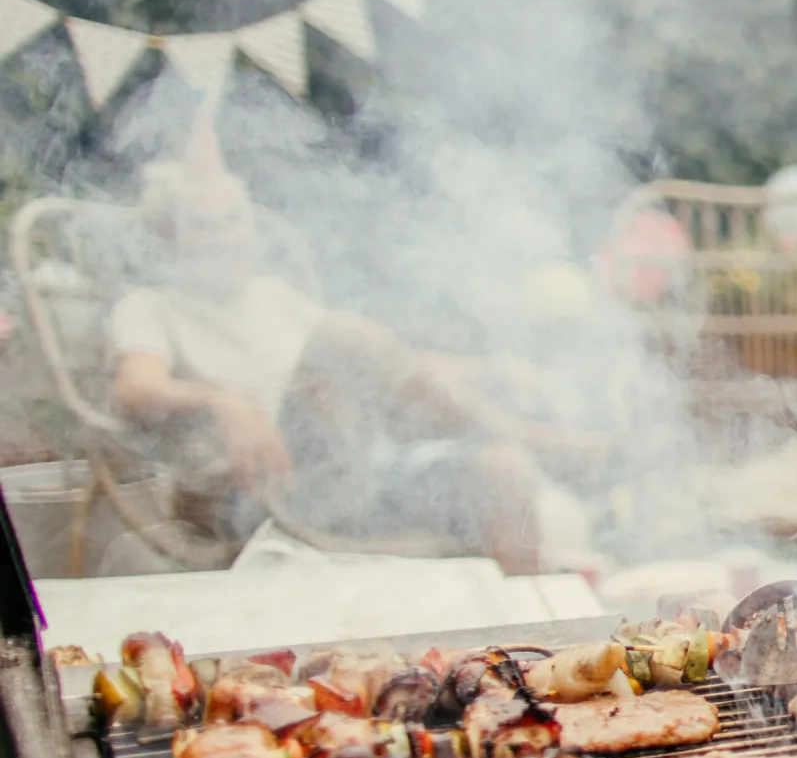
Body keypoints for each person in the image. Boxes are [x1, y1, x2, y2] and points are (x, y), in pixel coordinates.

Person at [107, 141, 596, 574]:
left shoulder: (274, 296)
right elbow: (135, 387)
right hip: (257, 491)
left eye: (234, 219)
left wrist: (493, 369)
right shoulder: (150, 307)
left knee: (501, 468)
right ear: (168, 235)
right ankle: (540, 442)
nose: (223, 236)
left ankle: (531, 649)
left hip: (343, 480)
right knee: (342, 336)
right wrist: (224, 404)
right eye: (202, 224)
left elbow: (392, 366)